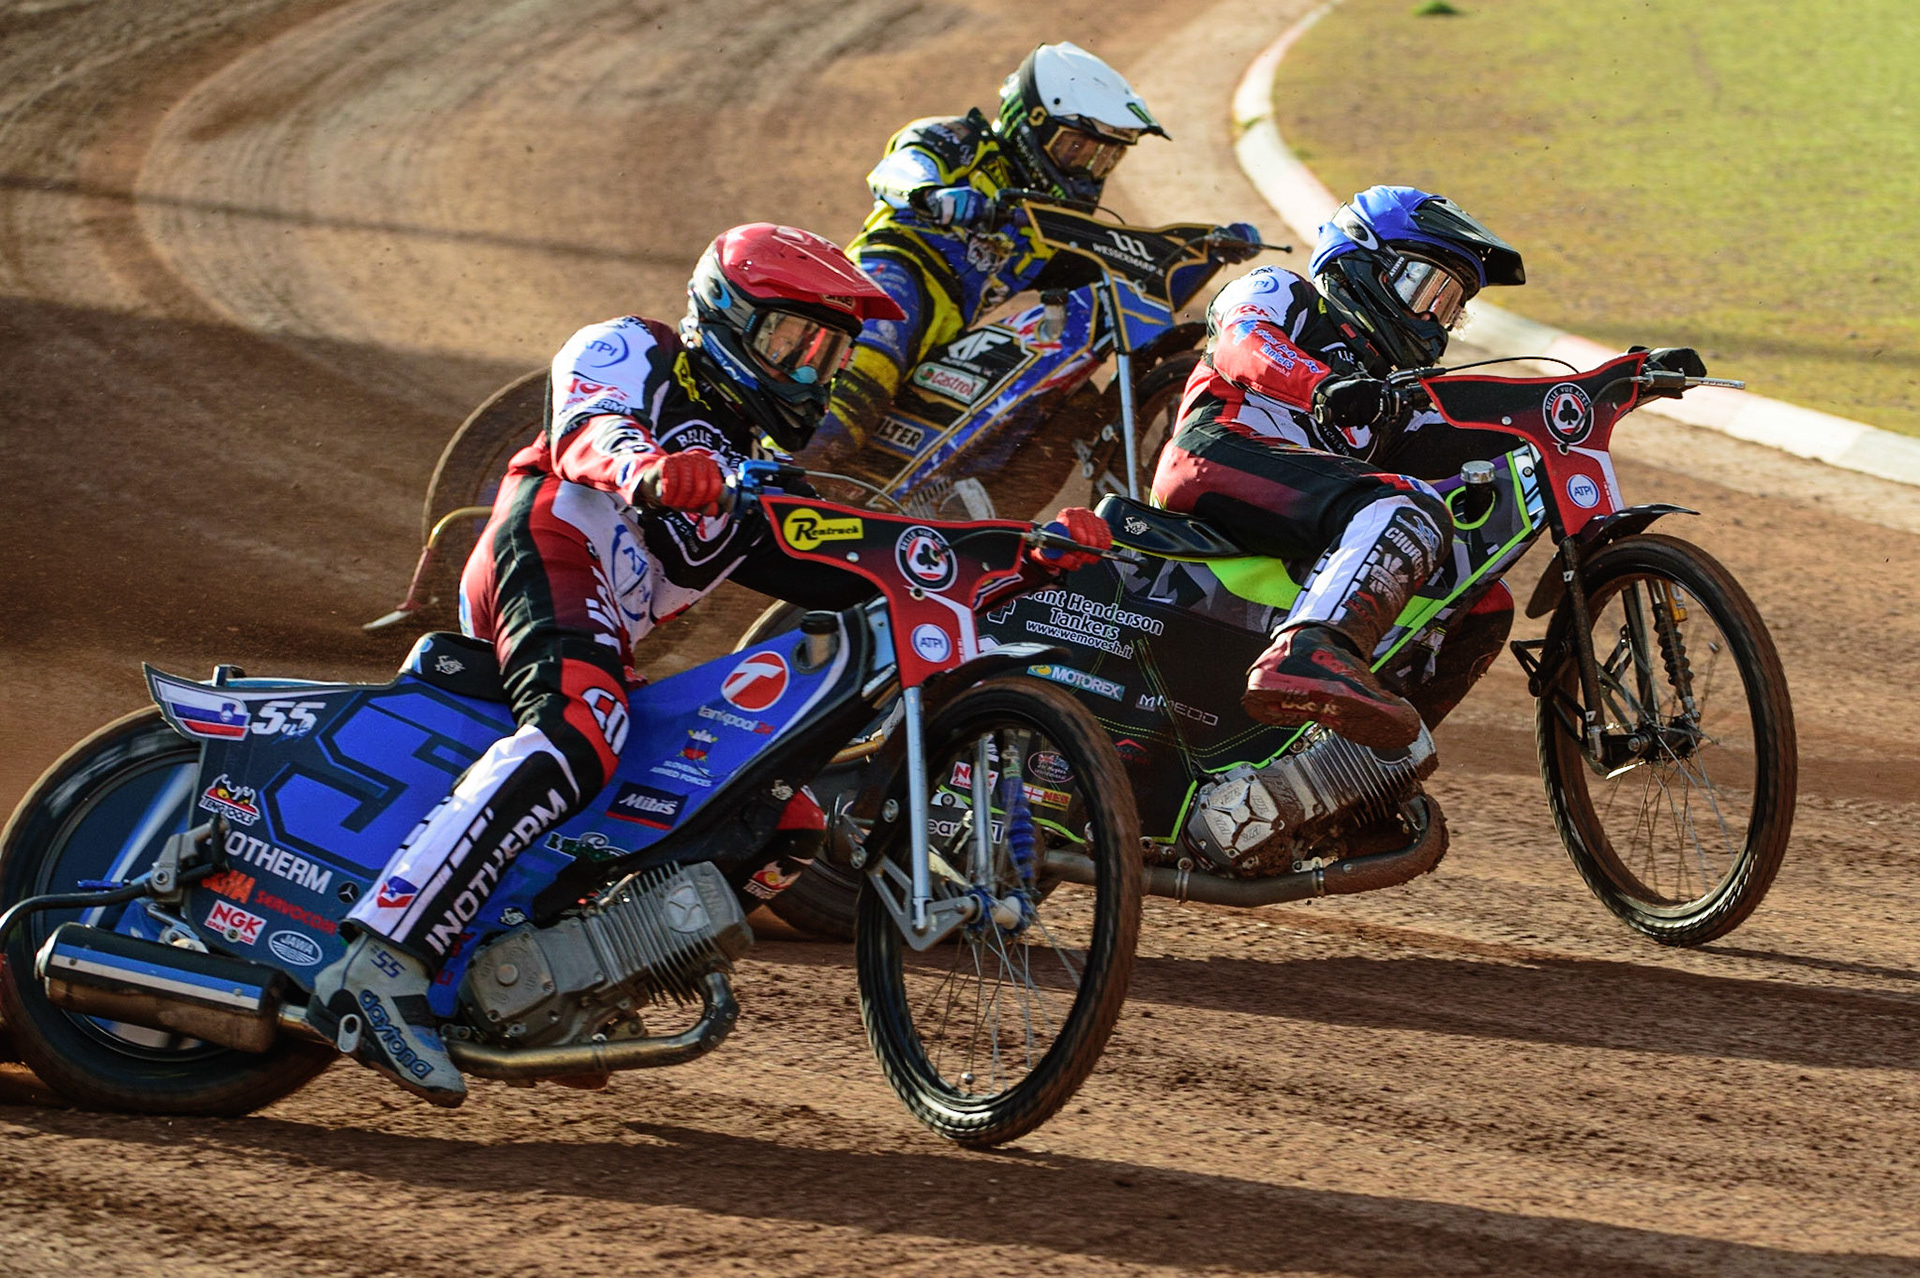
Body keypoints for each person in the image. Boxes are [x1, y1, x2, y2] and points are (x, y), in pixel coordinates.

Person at [308, 223, 1112, 1106]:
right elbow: (588, 429)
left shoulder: (758, 477)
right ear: (724, 315)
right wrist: (651, 470)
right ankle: (384, 957)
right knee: (583, 730)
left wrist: (1017, 551)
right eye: (789, 341)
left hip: (608, 639)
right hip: (539, 552)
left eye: (827, 352)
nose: (809, 369)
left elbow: (878, 551)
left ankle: (571, 974)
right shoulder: (633, 349)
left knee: (783, 819)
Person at [1150, 186, 1528, 749]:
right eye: (1425, 289)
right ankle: (1304, 653)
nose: (1434, 318)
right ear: (1362, 261)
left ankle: (1367, 766)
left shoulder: (1393, 392)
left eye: (1450, 306)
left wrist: (1604, 390)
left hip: (1293, 521)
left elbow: (1491, 428)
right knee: (1403, 504)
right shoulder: (1286, 292)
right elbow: (1243, 338)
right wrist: (1324, 385)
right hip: (1212, 455)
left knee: (1480, 598)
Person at [808, 41, 1257, 474]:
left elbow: (1121, 283)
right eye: (1077, 147)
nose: (1087, 167)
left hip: (952, 329)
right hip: (884, 283)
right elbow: (897, 168)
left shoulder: (1051, 218)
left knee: (1060, 404)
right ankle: (796, 467)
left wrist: (1204, 253)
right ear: (1034, 122)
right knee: (879, 348)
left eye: (1104, 158)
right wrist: (934, 194)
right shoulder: (959, 140)